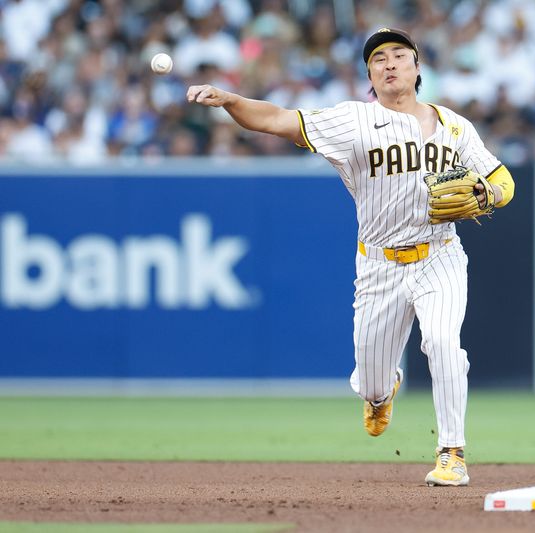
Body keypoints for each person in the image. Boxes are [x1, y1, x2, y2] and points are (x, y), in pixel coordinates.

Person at [186, 27, 515, 486]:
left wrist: (486, 193)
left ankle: (452, 454)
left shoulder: (455, 126)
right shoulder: (353, 121)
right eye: (379, 58)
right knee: (373, 380)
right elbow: (277, 119)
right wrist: (230, 100)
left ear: (418, 68)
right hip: (379, 265)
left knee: (443, 344)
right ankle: (381, 394)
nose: (390, 63)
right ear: (369, 74)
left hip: (440, 254)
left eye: (400, 55)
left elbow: (503, 181)